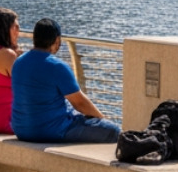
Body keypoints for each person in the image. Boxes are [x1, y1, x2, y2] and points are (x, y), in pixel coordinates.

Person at [11, 18, 120, 148]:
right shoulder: (57, 66)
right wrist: (101, 118)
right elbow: (80, 103)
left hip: (22, 130)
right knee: (113, 131)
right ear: (57, 41)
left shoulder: (19, 62)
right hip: (50, 131)